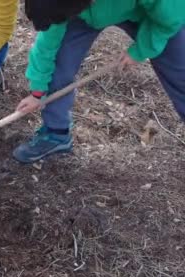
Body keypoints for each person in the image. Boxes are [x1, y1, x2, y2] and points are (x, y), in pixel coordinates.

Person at [13, 0, 185, 163]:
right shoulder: (59, 5)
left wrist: (141, 50)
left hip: (147, 12)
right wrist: (37, 92)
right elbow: (47, 46)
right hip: (81, 15)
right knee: (59, 64)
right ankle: (56, 134)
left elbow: (171, 17)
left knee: (180, 69)